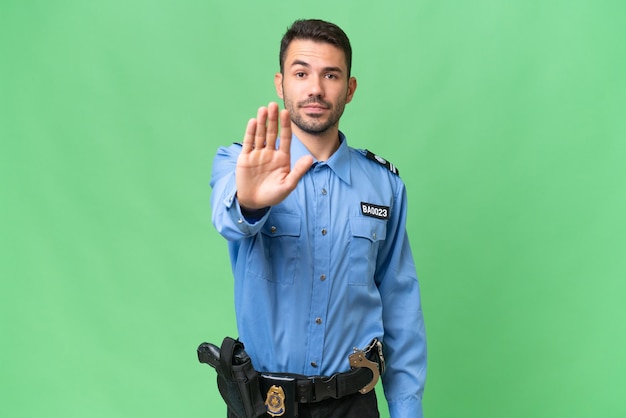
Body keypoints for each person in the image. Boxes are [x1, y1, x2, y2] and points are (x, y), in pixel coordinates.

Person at [210, 19, 427, 418]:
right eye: (301, 73)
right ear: (281, 83)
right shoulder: (242, 165)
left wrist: (406, 409)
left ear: (349, 88)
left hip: (352, 404)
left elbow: (400, 305)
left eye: (331, 74)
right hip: (264, 404)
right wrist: (252, 203)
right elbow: (228, 219)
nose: (315, 88)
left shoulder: (384, 186)